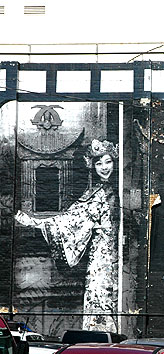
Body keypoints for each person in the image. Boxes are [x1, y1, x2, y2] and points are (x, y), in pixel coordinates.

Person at [15, 139, 119, 331]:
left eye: (108, 162)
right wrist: (35, 222)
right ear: (92, 167)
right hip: (102, 257)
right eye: (98, 163)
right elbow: (68, 220)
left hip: (120, 255)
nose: (104, 168)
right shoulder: (95, 194)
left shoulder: (119, 191)